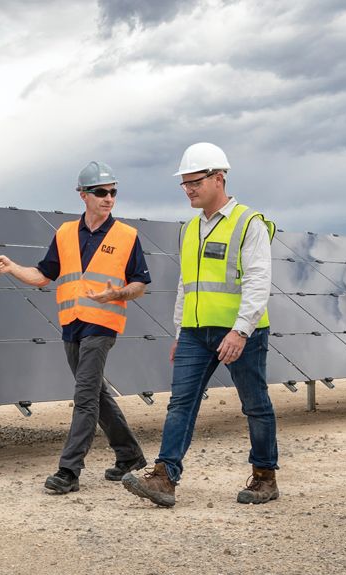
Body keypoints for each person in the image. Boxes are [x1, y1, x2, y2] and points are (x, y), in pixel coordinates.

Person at [121, 142, 280, 507]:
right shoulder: (189, 229)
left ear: (218, 178)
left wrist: (241, 330)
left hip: (240, 332)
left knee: (255, 405)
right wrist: (180, 331)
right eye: (184, 184)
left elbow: (258, 280)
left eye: (195, 182)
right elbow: (185, 284)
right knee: (181, 404)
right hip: (194, 333)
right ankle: (164, 478)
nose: (189, 189)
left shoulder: (248, 223)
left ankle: (264, 477)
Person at [0, 161, 150, 494]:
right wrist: (12, 267)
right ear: (83, 195)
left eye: (113, 192)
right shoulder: (65, 233)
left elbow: (140, 283)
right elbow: (43, 276)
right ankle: (129, 456)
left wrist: (118, 293)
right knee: (96, 392)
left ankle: (69, 470)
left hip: (103, 324)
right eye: (101, 192)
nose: (109, 198)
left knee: (85, 396)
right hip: (71, 325)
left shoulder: (127, 236)